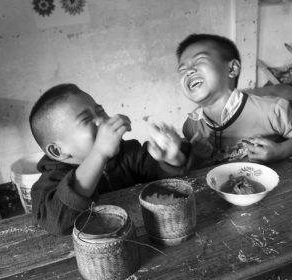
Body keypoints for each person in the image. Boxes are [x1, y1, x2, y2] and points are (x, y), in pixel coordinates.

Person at [29, 83, 192, 235]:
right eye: (86, 120)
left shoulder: (125, 153)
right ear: (58, 150)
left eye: (100, 111)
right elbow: (55, 219)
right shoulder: (50, 181)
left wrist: (171, 157)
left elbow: (160, 175)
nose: (101, 120)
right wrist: (99, 153)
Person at [176, 33, 292, 168]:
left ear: (232, 69)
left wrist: (282, 151)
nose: (189, 71)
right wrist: (197, 156)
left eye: (200, 60)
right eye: (182, 70)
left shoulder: (271, 110)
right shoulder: (191, 127)